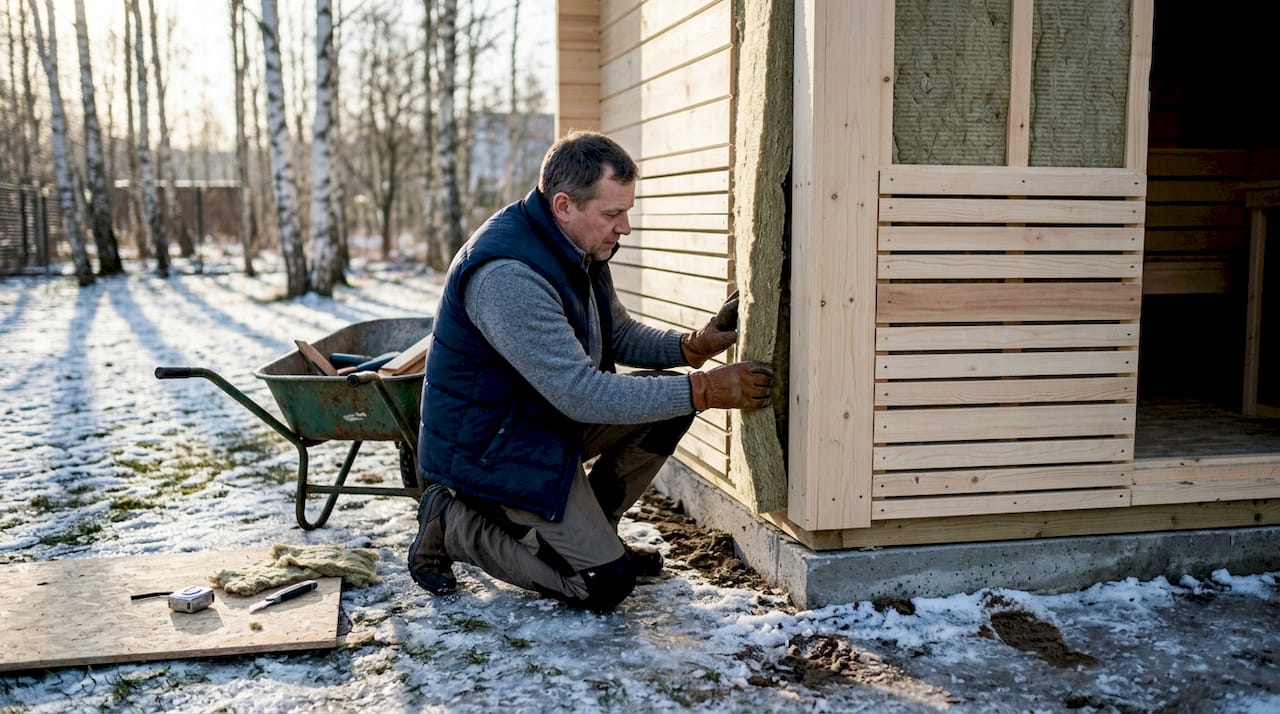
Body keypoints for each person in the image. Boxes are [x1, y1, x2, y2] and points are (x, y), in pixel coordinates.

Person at [409, 130, 775, 612]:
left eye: (626, 211)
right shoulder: (508, 275)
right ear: (564, 205)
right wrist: (704, 390)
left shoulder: (578, 245)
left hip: (539, 424)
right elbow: (579, 393)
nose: (624, 227)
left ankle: (598, 532)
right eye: (612, 214)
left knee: (668, 400)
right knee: (603, 585)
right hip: (490, 449)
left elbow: (615, 334)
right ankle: (453, 524)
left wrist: (692, 347)